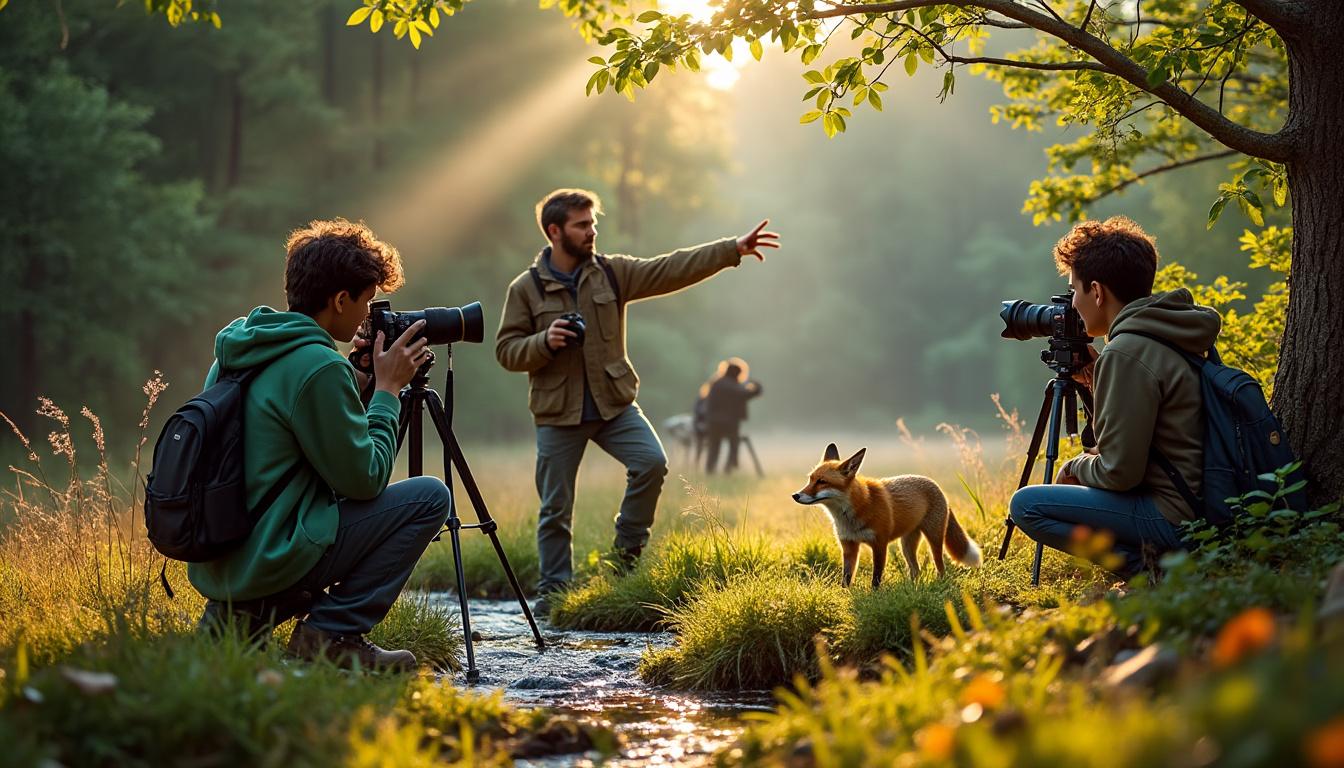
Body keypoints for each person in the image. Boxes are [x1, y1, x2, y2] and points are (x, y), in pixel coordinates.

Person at [495, 188, 780, 614]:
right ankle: (553, 597)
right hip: (557, 414)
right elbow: (506, 351)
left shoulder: (613, 273)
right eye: (582, 225)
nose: (592, 231)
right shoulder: (525, 289)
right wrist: (544, 341)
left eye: (593, 222)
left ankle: (623, 563)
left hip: (614, 405)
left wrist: (730, 250)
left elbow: (671, 268)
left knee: (651, 462)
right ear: (555, 231)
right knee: (555, 508)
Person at [191, 218, 452, 672]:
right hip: (273, 557)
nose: (368, 316)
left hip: (228, 557)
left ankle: (249, 614)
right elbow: (365, 480)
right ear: (340, 300)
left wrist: (360, 380)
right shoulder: (319, 366)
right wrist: (388, 390)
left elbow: (289, 438)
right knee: (430, 497)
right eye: (367, 301)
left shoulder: (243, 349)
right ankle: (331, 633)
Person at [1008, 216, 1221, 578]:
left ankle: (1152, 572)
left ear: (1097, 291)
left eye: (1074, 291)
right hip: (1199, 504)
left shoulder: (1126, 353)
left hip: (1171, 516)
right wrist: (1097, 383)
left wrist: (1073, 467)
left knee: (1027, 505)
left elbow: (1120, 472)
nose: (1073, 304)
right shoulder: (1167, 332)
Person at [700, 357, 763, 474]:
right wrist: (755, 384)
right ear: (738, 373)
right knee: (733, 446)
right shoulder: (733, 386)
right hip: (730, 422)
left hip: (713, 422)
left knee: (714, 447)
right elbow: (751, 393)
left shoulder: (716, 383)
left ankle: (710, 471)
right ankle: (729, 470)